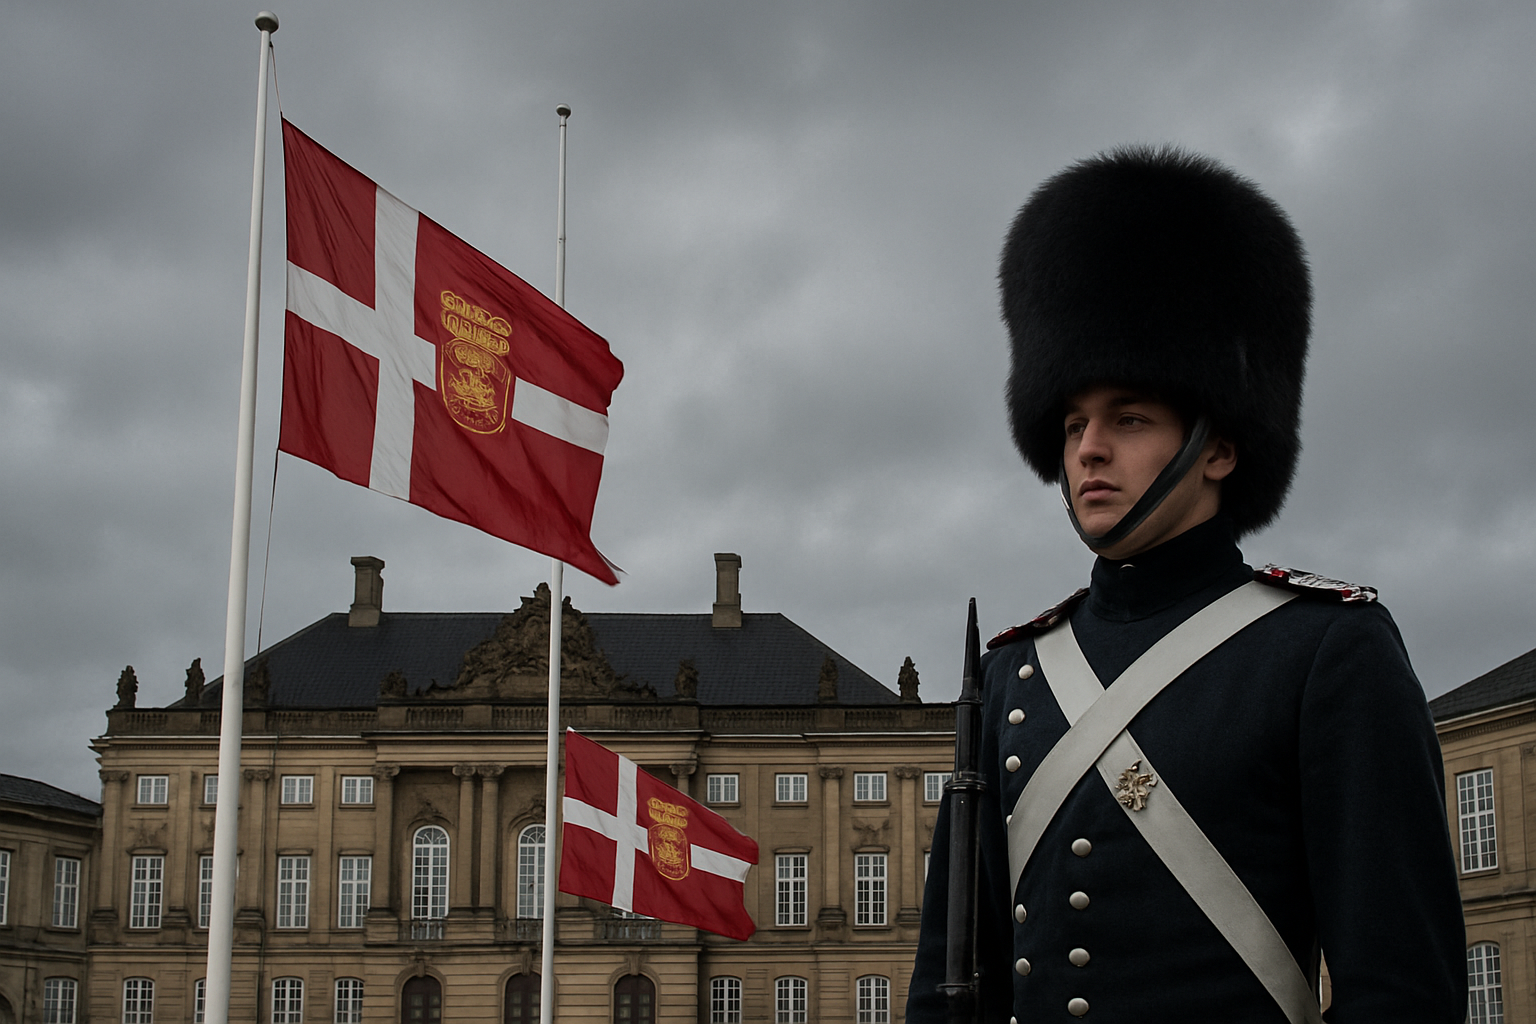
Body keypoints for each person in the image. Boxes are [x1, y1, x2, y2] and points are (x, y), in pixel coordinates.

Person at [907, 146, 1465, 1023]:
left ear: (1219, 447)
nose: (1088, 448)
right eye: (1074, 422)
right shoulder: (1017, 673)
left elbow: (1400, 988)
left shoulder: (1325, 650)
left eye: (1129, 419)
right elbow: (947, 984)